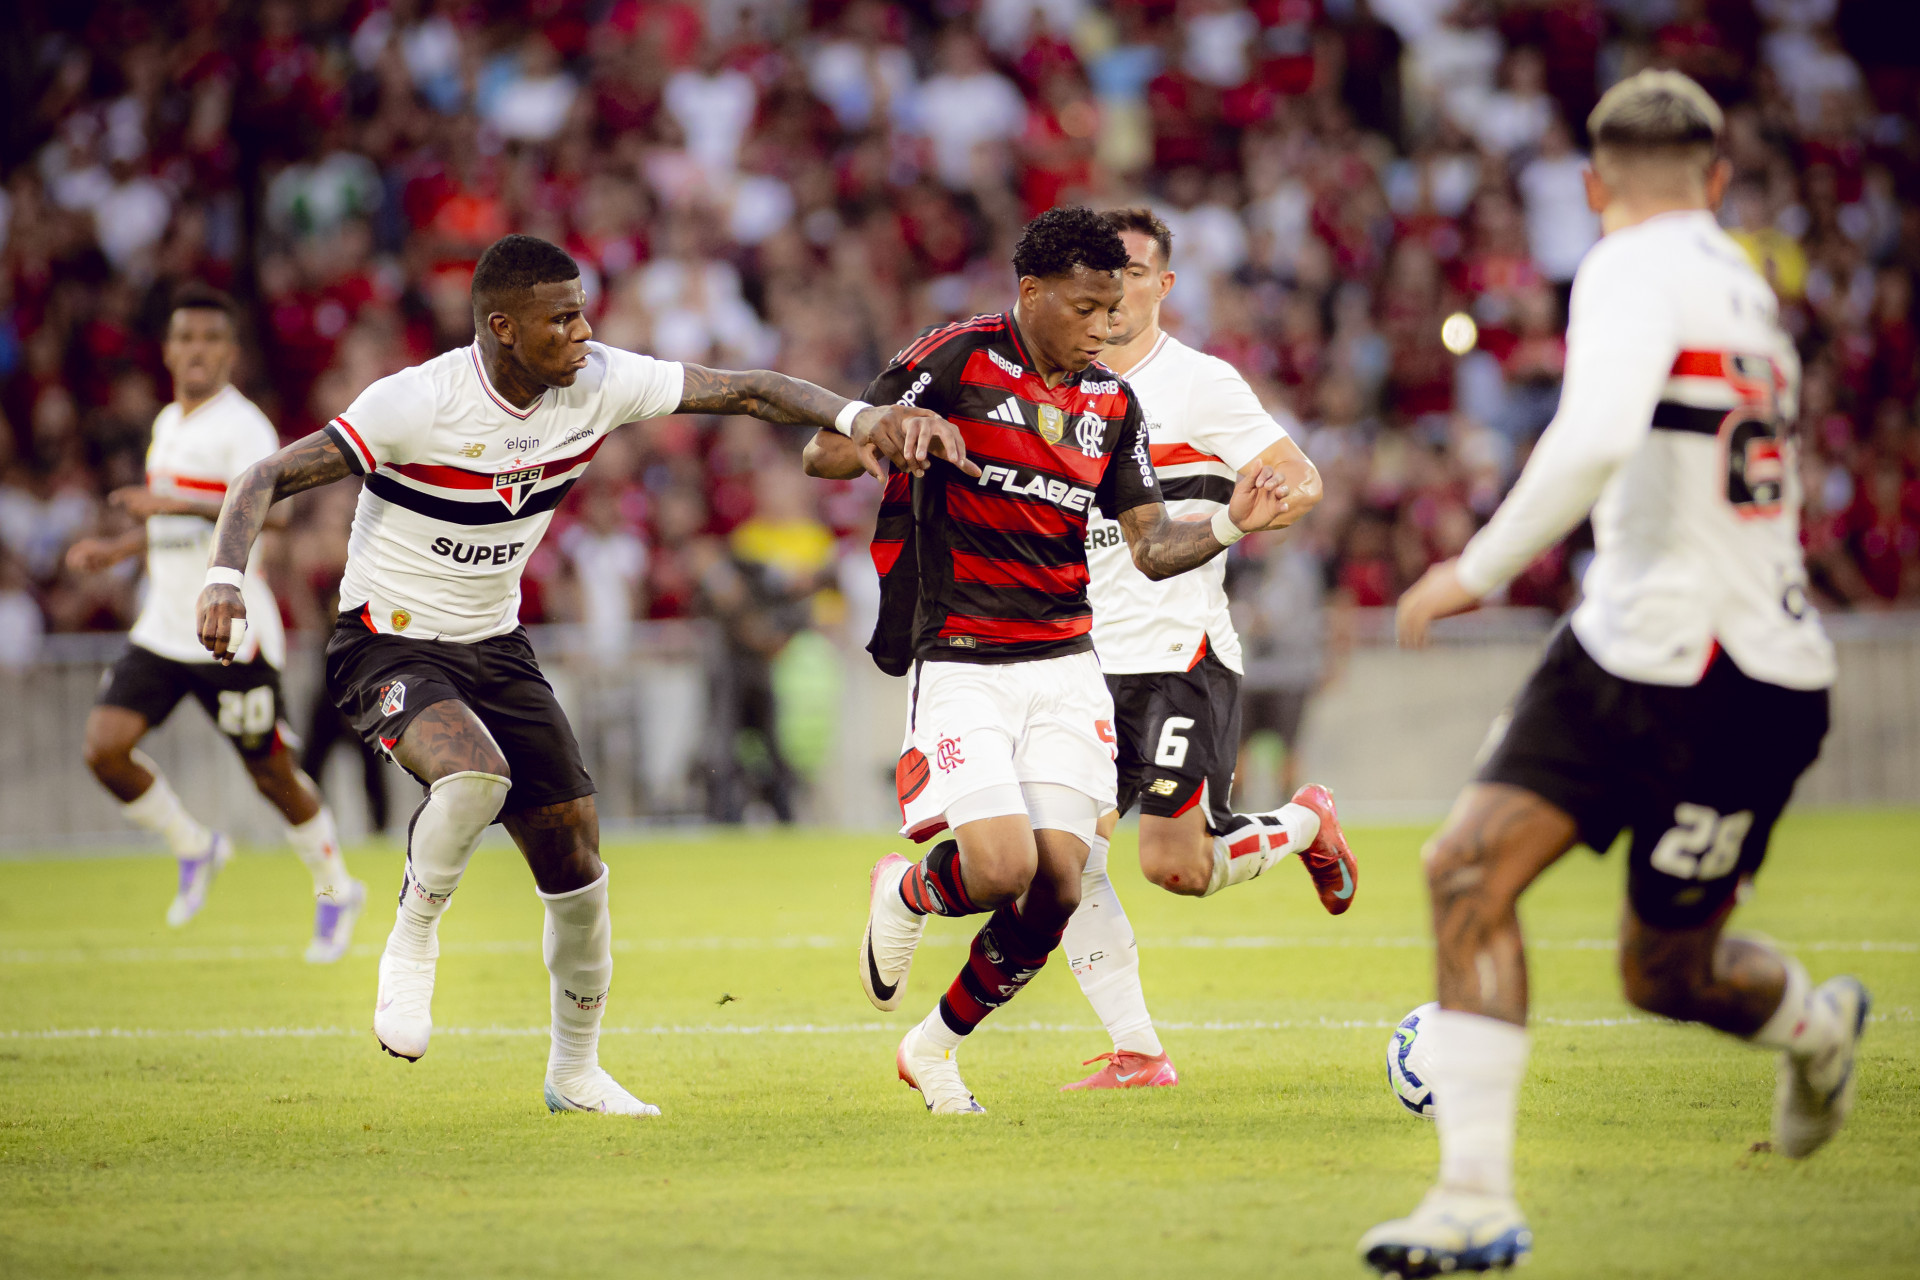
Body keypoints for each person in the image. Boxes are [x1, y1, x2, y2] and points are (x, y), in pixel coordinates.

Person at [195, 234, 961, 1117]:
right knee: (474, 775)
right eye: (562, 318)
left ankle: (574, 1071)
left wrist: (856, 419)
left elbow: (747, 390)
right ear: (502, 328)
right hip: (388, 641)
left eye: (584, 310)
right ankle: (411, 942)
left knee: (580, 872)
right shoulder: (417, 403)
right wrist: (224, 578)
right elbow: (266, 475)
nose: (584, 331)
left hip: (495, 644)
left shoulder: (598, 379)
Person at [1363, 71, 1867, 1276]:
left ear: (1593, 188)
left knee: (1662, 970)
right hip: (1718, 663)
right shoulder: (1749, 286)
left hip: (1697, 662)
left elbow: (1592, 434)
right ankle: (1474, 1197)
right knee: (1473, 868)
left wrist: (1473, 567)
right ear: (1721, 179)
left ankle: (1813, 1024)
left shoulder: (1626, 266)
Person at [802, 206, 1290, 1114]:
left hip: (1067, 664)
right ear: (1031, 292)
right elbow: (820, 448)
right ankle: (907, 891)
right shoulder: (955, 357)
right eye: (1089, 307)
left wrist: (1228, 524)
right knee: (998, 870)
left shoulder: (1111, 403)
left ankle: (933, 1048)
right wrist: (887, 433)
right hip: (962, 660)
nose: (1107, 327)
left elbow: (1148, 546)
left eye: (1116, 309)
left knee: (1060, 885)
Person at [1056, 207, 1359, 1091]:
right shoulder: (1056, 386)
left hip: (1179, 653)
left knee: (1175, 867)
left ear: (1163, 285)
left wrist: (1262, 507)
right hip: (1076, 659)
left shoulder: (1200, 385)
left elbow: (1300, 475)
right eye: (1100, 276)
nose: (1115, 293)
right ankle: (1139, 1051)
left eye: (1134, 274)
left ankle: (1306, 821)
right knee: (1062, 853)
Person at [65, 285, 365, 963]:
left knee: (273, 776)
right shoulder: (169, 422)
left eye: (210, 339)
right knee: (104, 750)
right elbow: (169, 522)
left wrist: (173, 499)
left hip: (230, 634)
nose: (196, 351)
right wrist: (118, 548)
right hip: (162, 627)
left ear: (230, 351)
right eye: (185, 339)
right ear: (168, 350)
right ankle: (195, 845)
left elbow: (278, 515)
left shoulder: (245, 428)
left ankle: (337, 889)